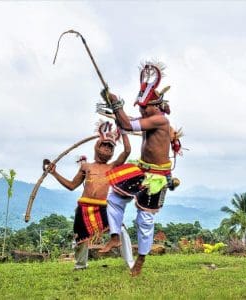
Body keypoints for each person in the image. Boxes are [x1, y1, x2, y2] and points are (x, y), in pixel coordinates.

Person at [98, 61, 180, 277]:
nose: (142, 109)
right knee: (114, 198)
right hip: (141, 169)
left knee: (144, 219)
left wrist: (116, 104)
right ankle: (115, 236)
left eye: (145, 107)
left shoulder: (159, 120)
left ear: (155, 106)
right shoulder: (149, 118)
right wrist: (112, 103)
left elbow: (125, 123)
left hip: (157, 177)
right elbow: (125, 121)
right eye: (141, 107)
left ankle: (141, 260)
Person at [44, 121, 132, 270]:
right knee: (80, 237)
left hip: (105, 207)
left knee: (121, 230)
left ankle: (130, 263)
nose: (107, 148)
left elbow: (127, 151)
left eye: (110, 147)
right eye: (104, 145)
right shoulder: (86, 167)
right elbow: (71, 186)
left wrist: (123, 131)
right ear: (97, 146)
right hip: (84, 207)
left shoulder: (113, 166)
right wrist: (54, 173)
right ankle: (80, 265)